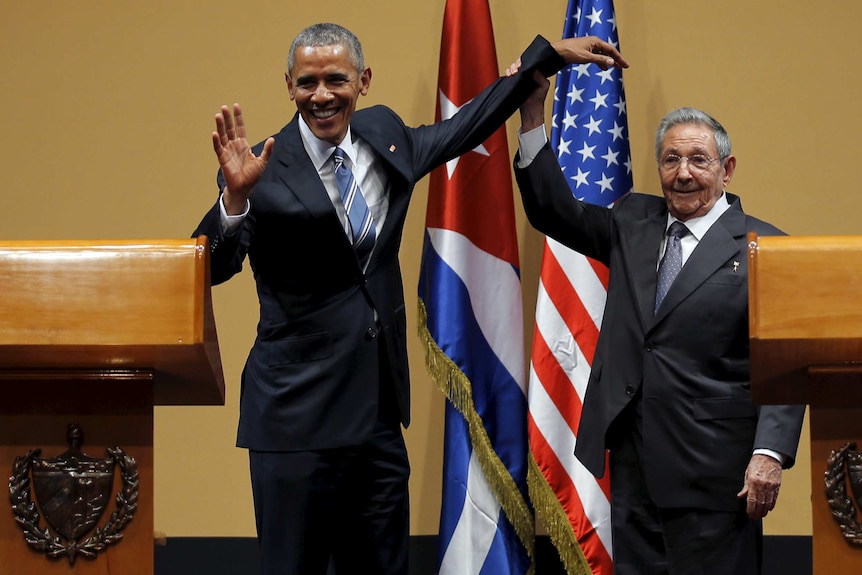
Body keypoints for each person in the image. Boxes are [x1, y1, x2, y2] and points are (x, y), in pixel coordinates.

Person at [192, 22, 627, 575]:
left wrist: (547, 57)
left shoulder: (385, 136)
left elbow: (466, 125)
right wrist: (233, 201)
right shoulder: (258, 168)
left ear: (363, 81)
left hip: (376, 418)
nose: (321, 94)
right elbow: (209, 266)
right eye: (307, 83)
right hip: (293, 422)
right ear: (289, 86)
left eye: (335, 80)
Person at [512, 72, 805, 574]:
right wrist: (533, 115)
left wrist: (771, 453)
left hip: (717, 474)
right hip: (634, 466)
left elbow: (787, 358)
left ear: (727, 169)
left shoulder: (765, 247)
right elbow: (553, 212)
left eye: (698, 160)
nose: (684, 173)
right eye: (671, 160)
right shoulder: (633, 222)